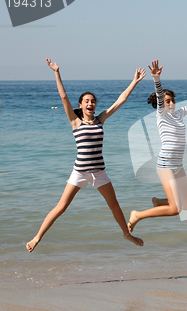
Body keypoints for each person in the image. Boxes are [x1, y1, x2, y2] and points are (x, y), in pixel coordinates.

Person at [26, 59, 145, 252]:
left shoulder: (100, 119)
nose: (91, 103)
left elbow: (120, 101)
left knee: (114, 205)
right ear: (81, 105)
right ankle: (37, 238)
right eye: (87, 101)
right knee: (61, 208)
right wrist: (57, 72)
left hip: (99, 172)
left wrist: (134, 81)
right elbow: (64, 97)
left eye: (93, 101)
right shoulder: (75, 122)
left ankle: (126, 234)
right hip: (79, 171)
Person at [127, 60, 187, 232]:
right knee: (175, 209)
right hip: (165, 165)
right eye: (167, 101)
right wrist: (156, 78)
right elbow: (159, 94)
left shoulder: (179, 113)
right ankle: (138, 215)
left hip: (178, 166)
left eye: (172, 100)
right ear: (161, 104)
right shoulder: (162, 115)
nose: (170, 103)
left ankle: (159, 202)